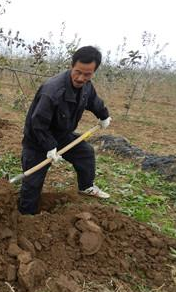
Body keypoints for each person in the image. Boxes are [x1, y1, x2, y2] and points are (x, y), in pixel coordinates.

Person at [18, 46, 111, 215]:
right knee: (33, 182)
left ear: (93, 72)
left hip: (62, 135)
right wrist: (49, 146)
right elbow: (38, 123)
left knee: (86, 153)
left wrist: (104, 116)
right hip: (38, 141)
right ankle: (26, 216)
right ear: (71, 66)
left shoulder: (87, 86)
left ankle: (86, 186)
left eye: (87, 74)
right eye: (78, 72)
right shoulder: (52, 91)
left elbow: (93, 101)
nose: (81, 78)